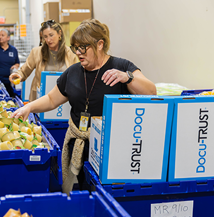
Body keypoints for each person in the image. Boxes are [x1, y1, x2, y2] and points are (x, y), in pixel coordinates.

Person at [11, 19, 157, 194]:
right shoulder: (73, 72)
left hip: (110, 148)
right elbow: (51, 99)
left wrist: (128, 78)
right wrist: (29, 107)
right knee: (79, 190)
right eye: (75, 47)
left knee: (103, 193)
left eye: (83, 47)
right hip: (78, 144)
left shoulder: (121, 67)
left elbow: (151, 92)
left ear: (100, 44)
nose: (78, 53)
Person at [9, 19, 78, 102]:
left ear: (59, 33)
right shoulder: (37, 52)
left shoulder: (71, 53)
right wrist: (17, 75)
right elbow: (24, 71)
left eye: (51, 35)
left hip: (63, 99)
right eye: (45, 36)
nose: (48, 40)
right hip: (41, 98)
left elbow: (76, 75)